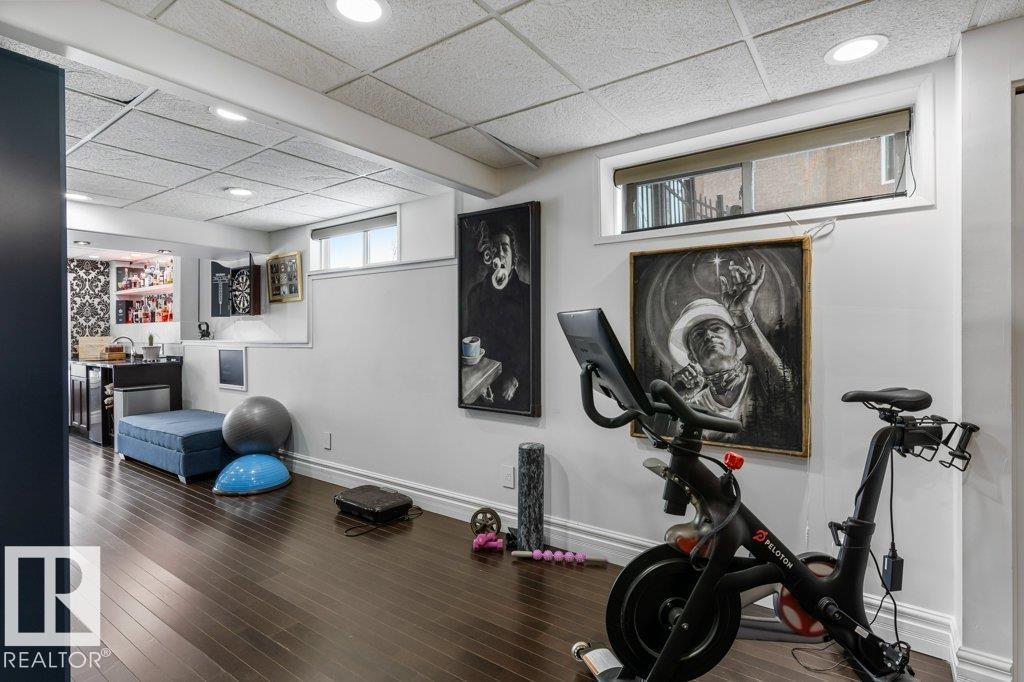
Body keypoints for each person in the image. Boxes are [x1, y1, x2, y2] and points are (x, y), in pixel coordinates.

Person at [667, 256, 796, 444]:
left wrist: (740, 314)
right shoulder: (694, 404)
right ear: (692, 356)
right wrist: (677, 401)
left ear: (737, 338)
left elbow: (787, 390)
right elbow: (676, 446)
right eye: (699, 335)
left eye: (716, 328)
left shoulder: (761, 380)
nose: (708, 335)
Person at [464, 223, 530, 411]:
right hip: (482, 380)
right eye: (494, 248)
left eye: (505, 248)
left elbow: (529, 343)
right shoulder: (475, 294)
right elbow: (472, 340)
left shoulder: (527, 294)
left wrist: (515, 377)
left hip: (517, 383)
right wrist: (479, 380)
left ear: (513, 257)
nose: (500, 253)